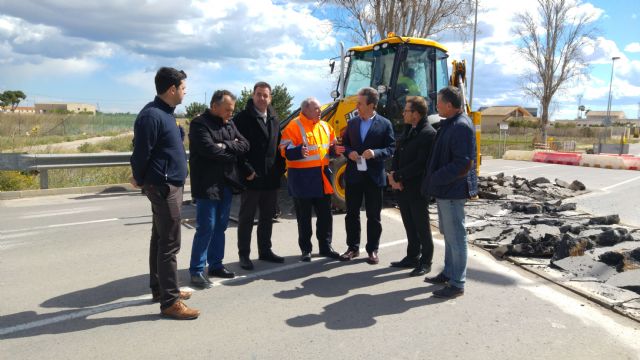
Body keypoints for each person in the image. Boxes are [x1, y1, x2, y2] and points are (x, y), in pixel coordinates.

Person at [130, 66, 199, 320]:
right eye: (183, 88)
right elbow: (141, 152)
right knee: (170, 243)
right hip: (164, 186)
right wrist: (139, 177)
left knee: (159, 239)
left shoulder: (166, 114)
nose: (185, 92)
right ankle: (170, 302)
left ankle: (161, 290)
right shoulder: (152, 115)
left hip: (169, 184)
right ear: (172, 89)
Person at [188, 90, 249, 288]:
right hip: (207, 185)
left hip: (226, 184)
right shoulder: (199, 124)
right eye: (227, 110)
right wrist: (231, 150)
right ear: (214, 107)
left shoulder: (229, 123)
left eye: (232, 110)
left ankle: (216, 265)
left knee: (221, 227)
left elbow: (245, 145)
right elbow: (208, 150)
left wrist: (225, 145)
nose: (231, 113)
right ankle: (197, 270)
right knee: (206, 227)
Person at [421, 86, 478, 299]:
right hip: (446, 190)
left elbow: (463, 164)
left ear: (450, 105)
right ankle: (448, 273)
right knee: (450, 235)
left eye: (439, 102)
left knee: (457, 237)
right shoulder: (451, 124)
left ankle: (457, 283)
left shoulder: (461, 126)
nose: (436, 106)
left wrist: (436, 177)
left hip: (453, 191)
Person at [280, 97, 344, 262]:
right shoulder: (293, 126)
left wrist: (335, 150)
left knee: (325, 215)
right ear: (305, 110)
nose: (320, 111)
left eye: (319, 108)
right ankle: (306, 250)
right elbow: (283, 150)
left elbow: (330, 147)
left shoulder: (325, 126)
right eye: (316, 109)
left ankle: (325, 246)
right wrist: (297, 152)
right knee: (304, 217)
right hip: (302, 179)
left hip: (322, 177)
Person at [232, 82, 286, 270]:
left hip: (270, 177)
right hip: (251, 176)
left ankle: (265, 250)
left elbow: (279, 147)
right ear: (253, 96)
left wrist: (280, 169)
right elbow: (237, 149)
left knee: (267, 217)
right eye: (258, 94)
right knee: (246, 218)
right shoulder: (242, 118)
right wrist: (246, 170)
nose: (262, 98)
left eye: (265, 95)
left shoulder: (274, 117)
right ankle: (244, 255)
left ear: (270, 97)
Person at [340, 87, 395, 265]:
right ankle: (353, 248)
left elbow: (391, 148)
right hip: (354, 175)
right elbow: (346, 144)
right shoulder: (353, 123)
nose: (356, 106)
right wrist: (349, 153)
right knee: (352, 214)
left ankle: (372, 250)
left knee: (373, 216)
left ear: (371, 105)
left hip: (374, 177)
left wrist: (376, 152)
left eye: (360, 103)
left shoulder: (385, 124)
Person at [388, 96, 436, 276]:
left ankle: (426, 261)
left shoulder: (428, 133)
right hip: (403, 186)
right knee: (409, 224)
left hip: (417, 188)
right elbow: (398, 153)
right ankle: (412, 256)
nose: (403, 113)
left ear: (416, 114)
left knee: (422, 226)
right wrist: (393, 175)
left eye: (406, 111)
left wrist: (399, 175)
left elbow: (421, 164)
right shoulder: (409, 129)